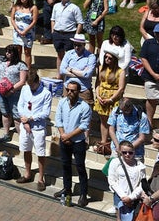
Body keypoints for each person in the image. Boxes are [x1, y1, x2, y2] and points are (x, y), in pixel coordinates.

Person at [53, 78, 92, 207]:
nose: (69, 92)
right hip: (64, 139)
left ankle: (83, 194)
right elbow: (58, 119)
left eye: (72, 91)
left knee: (80, 167)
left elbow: (83, 126)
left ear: (78, 92)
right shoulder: (62, 102)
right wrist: (63, 135)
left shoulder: (85, 107)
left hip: (78, 141)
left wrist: (68, 136)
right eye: (68, 90)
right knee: (65, 165)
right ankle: (67, 188)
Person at [15, 69, 52, 191]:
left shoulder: (45, 93)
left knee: (40, 153)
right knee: (26, 149)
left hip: (37, 128)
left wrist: (30, 119)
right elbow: (20, 105)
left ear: (37, 82)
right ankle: (27, 173)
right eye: (29, 85)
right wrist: (24, 121)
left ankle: (41, 178)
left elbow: (45, 113)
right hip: (25, 126)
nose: (30, 87)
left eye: (32, 85)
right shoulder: (25, 89)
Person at [93, 51, 128, 154]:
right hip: (102, 97)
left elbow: (121, 88)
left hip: (113, 98)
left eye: (110, 58)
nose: (107, 59)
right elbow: (98, 83)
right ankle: (104, 142)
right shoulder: (101, 68)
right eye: (106, 57)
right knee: (103, 121)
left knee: (113, 122)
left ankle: (114, 144)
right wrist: (98, 96)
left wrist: (111, 99)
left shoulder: (120, 72)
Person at [0, 44, 28, 143]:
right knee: (5, 112)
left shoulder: (21, 65)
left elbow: (22, 81)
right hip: (1, 92)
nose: (7, 53)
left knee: (16, 115)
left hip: (15, 93)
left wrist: (11, 90)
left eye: (10, 52)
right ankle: (6, 133)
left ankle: (22, 137)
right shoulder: (1, 63)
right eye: (7, 51)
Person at [107, 140, 146, 221]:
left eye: (130, 152)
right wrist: (123, 197)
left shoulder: (140, 166)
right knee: (120, 218)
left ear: (134, 152)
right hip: (120, 196)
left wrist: (131, 197)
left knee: (134, 218)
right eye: (124, 152)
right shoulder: (115, 162)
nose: (127, 154)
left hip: (135, 197)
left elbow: (142, 184)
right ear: (121, 152)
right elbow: (112, 181)